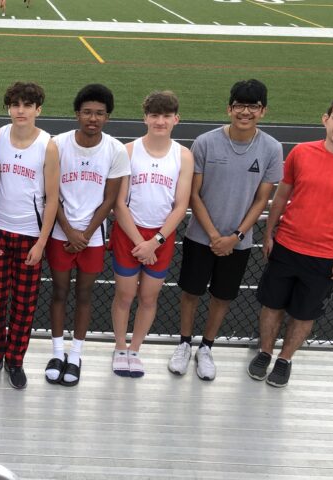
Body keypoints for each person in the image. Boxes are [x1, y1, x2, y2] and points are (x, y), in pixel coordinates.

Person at [169, 79, 282, 381]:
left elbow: (262, 198)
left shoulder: (271, 148)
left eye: (253, 106)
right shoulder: (206, 142)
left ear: (263, 111)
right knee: (191, 293)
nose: (245, 112)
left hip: (239, 243)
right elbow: (194, 194)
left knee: (222, 296)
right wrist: (215, 235)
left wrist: (237, 236)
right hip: (199, 237)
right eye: (240, 105)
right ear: (229, 108)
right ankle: (184, 343)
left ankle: (206, 347)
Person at [247, 95, 333, 388]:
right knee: (272, 306)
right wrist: (269, 233)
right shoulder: (301, 152)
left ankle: (285, 358)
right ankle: (265, 352)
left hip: (325, 255)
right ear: (325, 119)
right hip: (287, 246)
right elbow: (281, 196)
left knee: (304, 314)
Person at [44, 84, 129, 387]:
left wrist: (86, 234)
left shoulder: (116, 150)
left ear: (107, 117)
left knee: (84, 295)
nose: (93, 118)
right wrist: (68, 229)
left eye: (100, 113)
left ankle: (76, 354)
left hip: (92, 237)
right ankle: (56, 352)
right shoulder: (57, 144)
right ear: (77, 114)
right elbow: (49, 193)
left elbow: (109, 199)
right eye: (87, 112)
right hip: (60, 233)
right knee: (59, 292)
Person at [110, 91, 193, 378]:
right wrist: (139, 242)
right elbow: (119, 203)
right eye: (155, 115)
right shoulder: (129, 151)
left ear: (176, 119)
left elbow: (181, 205)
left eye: (166, 116)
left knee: (148, 296)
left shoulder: (183, 155)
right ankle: (120, 347)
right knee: (125, 294)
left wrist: (155, 241)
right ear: (145, 118)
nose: (160, 121)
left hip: (161, 235)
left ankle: (135, 350)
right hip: (130, 232)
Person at [0, 82, 60, 389]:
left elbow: (52, 198)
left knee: (24, 305)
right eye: (15, 105)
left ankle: (15, 360)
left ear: (38, 110)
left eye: (27, 105)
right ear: (8, 108)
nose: (21, 110)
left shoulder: (47, 146)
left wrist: (42, 242)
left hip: (30, 235)